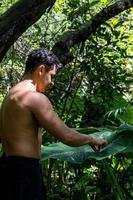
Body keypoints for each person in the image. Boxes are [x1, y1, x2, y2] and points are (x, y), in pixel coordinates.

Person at [0, 48, 107, 200]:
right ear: (41, 69)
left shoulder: (10, 97)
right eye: (51, 76)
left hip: (6, 170)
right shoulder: (34, 98)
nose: (52, 82)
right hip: (25, 173)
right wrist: (92, 139)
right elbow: (67, 136)